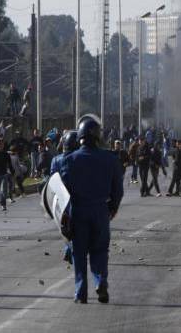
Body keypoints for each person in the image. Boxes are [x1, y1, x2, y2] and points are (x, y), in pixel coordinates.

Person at [60, 116, 123, 304]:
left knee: (79, 254)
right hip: (101, 211)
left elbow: (62, 192)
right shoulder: (110, 159)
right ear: (97, 137)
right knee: (100, 251)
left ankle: (81, 293)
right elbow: (118, 190)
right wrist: (112, 209)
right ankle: (101, 281)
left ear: (79, 136)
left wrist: (64, 217)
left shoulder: (70, 160)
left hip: (78, 211)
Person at [51, 131, 79, 265]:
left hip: (61, 200)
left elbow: (52, 180)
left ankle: (68, 249)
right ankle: (71, 250)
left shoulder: (56, 160)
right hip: (77, 199)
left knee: (66, 228)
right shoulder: (80, 158)